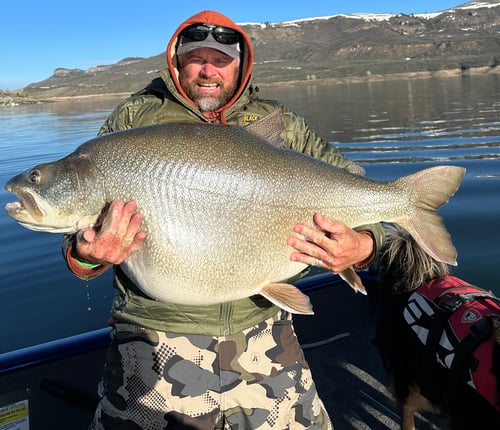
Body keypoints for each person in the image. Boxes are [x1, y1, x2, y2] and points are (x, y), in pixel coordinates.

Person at [63, 10, 384, 430]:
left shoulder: (282, 124)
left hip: (265, 329)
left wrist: (364, 246)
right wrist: (88, 255)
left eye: (220, 60)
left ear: (241, 64)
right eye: (196, 58)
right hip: (155, 336)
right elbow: (78, 235)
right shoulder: (132, 120)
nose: (208, 70)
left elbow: (358, 190)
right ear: (177, 61)